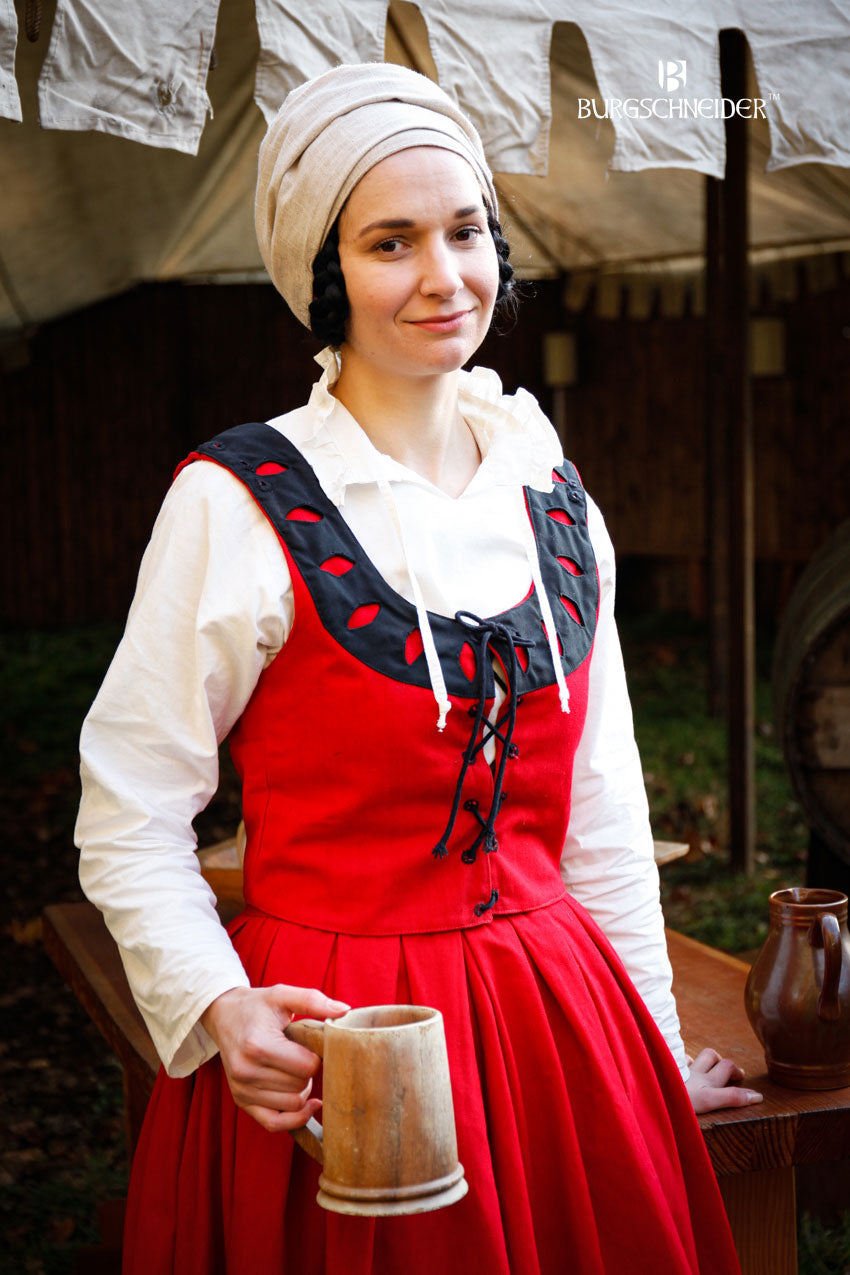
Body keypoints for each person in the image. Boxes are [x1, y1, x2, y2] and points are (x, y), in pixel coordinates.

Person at [76, 62, 761, 1275]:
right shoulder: (237, 505)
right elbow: (129, 806)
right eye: (390, 242)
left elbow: (601, 815)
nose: (444, 277)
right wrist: (220, 1006)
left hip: (556, 1036)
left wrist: (644, 1052)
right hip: (338, 1048)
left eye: (466, 231)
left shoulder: (553, 496)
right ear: (322, 272)